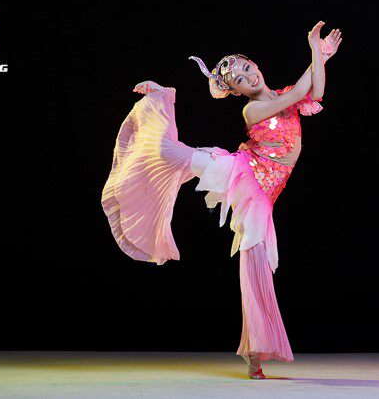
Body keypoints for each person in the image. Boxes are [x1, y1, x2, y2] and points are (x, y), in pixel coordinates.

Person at [101, 21, 342, 379]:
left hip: (264, 194)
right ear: (235, 92)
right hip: (245, 175)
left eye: (247, 68)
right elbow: (297, 94)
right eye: (240, 80)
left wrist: (319, 53)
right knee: (175, 154)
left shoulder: (284, 93)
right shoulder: (252, 111)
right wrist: (316, 54)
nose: (248, 76)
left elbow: (316, 90)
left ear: (255, 63)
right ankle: (160, 97)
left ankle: (255, 350)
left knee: (256, 257)